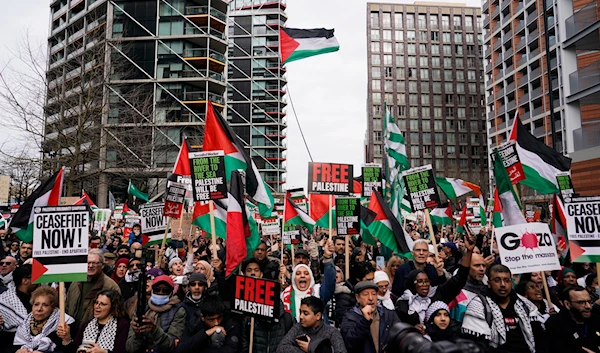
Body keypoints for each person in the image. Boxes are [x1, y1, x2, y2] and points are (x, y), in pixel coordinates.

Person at [462, 264, 546, 353]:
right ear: (489, 284)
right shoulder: (478, 305)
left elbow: (540, 335)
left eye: (507, 280)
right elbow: (477, 344)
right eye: (497, 280)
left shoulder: (525, 304)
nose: (503, 284)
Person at [396, 234, 474, 327]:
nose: (424, 284)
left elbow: (457, 280)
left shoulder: (435, 292)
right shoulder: (403, 304)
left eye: (427, 281)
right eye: (419, 281)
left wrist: (469, 252)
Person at [240, 258, 294, 353]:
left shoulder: (286, 319)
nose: (253, 273)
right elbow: (244, 346)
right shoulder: (248, 318)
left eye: (256, 270)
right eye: (249, 270)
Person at [57, 289, 130, 353]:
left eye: (103, 304)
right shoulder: (87, 324)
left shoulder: (122, 325)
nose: (97, 306)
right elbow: (73, 350)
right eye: (96, 302)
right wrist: (67, 339)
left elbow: (121, 351)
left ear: (113, 307)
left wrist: (104, 352)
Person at [127, 275, 186, 353]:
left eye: (165, 290)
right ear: (152, 291)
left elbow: (171, 345)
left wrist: (154, 330)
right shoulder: (142, 309)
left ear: (171, 293)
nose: (160, 293)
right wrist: (138, 335)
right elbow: (130, 348)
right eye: (156, 289)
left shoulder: (178, 311)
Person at [66, 249, 121, 331]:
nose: (90, 265)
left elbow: (115, 315)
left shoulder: (111, 287)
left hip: (95, 334)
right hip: (71, 332)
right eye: (87, 263)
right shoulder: (75, 283)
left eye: (95, 263)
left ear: (102, 265)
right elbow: (67, 307)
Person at [340, 281, 400, 353]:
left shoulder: (388, 315)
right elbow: (350, 343)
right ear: (357, 298)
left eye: (374, 294)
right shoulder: (350, 317)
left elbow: (399, 335)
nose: (371, 298)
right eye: (365, 294)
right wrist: (364, 321)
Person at [281, 244, 335, 322]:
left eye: (306, 273)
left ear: (311, 278)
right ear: (293, 279)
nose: (302, 276)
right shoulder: (284, 296)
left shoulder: (317, 291)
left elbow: (330, 282)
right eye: (298, 273)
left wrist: (327, 258)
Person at [13, 286, 75, 352]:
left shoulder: (65, 323)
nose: (39, 309)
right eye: (36, 304)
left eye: (45, 305)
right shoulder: (24, 324)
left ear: (53, 308)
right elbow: (15, 347)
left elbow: (69, 350)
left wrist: (66, 339)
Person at [276, 297, 347, 353]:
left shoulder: (332, 332)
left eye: (305, 313)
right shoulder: (298, 327)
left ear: (318, 316)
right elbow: (281, 348)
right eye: (300, 312)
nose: (301, 316)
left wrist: (311, 348)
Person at [175, 294, 240, 353]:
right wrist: (206, 334)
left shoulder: (231, 324)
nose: (216, 323)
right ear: (202, 317)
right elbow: (181, 349)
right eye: (211, 319)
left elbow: (231, 349)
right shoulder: (194, 324)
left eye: (219, 317)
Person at [546, 286, 600, 353]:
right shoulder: (555, 324)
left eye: (589, 301)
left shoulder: (596, 319)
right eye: (581, 302)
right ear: (567, 304)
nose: (588, 306)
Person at [0, 265, 37, 353]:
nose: (38, 281)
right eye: (35, 278)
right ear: (25, 281)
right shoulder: (4, 300)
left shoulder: (38, 296)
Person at [448, 253, 488, 324]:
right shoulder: (455, 292)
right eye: (477, 265)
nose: (482, 269)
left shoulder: (488, 290)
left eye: (484, 265)